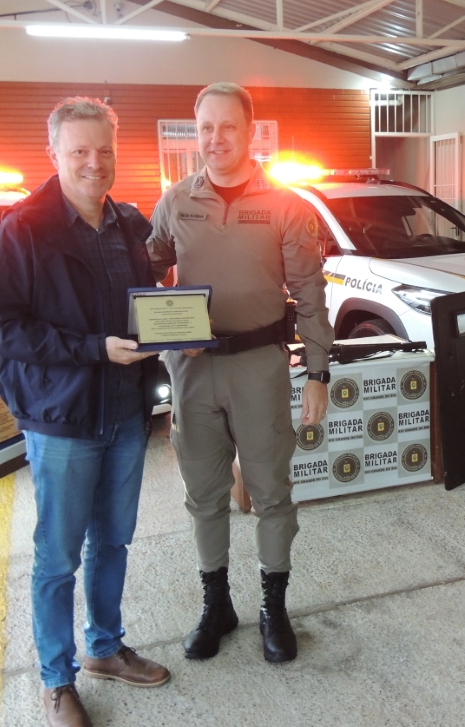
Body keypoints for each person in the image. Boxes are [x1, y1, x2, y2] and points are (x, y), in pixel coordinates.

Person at [0, 97, 170, 727]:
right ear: (55, 154)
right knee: (58, 557)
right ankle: (56, 680)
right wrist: (92, 349)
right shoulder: (23, 230)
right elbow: (1, 328)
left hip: (126, 412)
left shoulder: (129, 225)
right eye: (80, 150)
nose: (95, 162)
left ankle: (105, 648)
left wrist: (172, 323)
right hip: (62, 417)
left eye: (104, 150)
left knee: (112, 540)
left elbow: (142, 306)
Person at [147, 82, 333, 664]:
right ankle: (217, 605)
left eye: (228, 126)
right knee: (204, 494)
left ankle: (273, 607)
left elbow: (310, 294)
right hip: (192, 371)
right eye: (205, 127)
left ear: (250, 131)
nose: (215, 138)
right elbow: (145, 272)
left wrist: (319, 372)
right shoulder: (175, 202)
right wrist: (156, 326)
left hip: (259, 366)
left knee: (272, 493)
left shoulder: (286, 206)